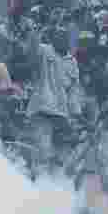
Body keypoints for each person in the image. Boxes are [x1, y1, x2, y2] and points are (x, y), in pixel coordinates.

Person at [25, 26, 82, 176]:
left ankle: (56, 175)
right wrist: (33, 34)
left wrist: (76, 113)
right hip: (41, 108)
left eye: (63, 38)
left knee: (68, 143)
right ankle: (38, 178)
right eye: (56, 37)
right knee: (43, 145)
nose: (59, 40)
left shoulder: (72, 62)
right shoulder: (44, 50)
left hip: (61, 112)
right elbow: (32, 52)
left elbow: (73, 90)